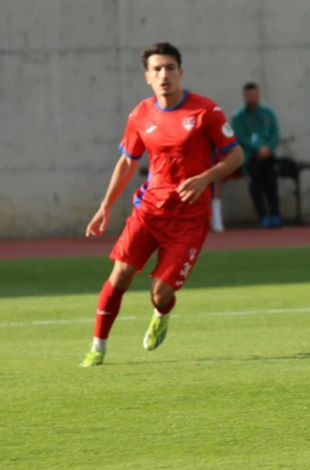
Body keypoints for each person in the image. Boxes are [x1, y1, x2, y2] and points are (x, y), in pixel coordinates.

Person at [81, 43, 243, 367]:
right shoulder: (140, 114)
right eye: (157, 69)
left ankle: (161, 313)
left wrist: (205, 179)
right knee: (120, 275)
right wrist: (105, 206)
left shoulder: (205, 111)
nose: (164, 74)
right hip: (149, 211)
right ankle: (97, 347)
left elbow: (236, 156)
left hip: (190, 220)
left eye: (169, 67)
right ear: (147, 77)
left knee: (160, 293)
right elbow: (127, 163)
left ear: (180, 72)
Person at [232, 82, 282, 227]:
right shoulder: (239, 117)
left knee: (272, 184)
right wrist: (257, 149)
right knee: (256, 186)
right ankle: (263, 216)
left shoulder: (268, 114)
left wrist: (267, 148)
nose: (252, 98)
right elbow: (240, 137)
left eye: (254, 95)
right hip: (250, 158)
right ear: (244, 96)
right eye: (249, 96)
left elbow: (275, 134)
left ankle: (276, 215)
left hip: (268, 156)